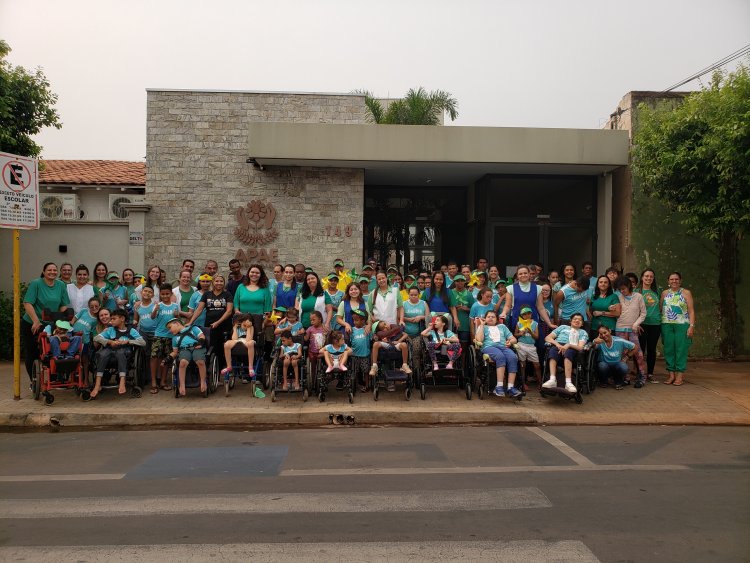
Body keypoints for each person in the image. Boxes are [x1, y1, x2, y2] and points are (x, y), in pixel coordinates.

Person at [22, 262, 70, 380]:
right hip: (32, 322)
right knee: (32, 352)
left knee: (51, 350)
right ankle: (33, 380)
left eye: (55, 270)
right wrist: (35, 321)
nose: (52, 272)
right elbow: (27, 303)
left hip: (51, 324)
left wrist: (61, 322)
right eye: (49, 270)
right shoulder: (36, 283)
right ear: (43, 272)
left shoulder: (61, 285)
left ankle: (53, 377)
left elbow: (63, 305)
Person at [90, 309, 145, 398]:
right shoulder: (110, 330)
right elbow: (96, 338)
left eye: (113, 319)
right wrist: (109, 341)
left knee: (120, 352)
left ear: (122, 319)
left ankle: (122, 380)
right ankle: (97, 384)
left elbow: (142, 342)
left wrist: (128, 342)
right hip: (110, 351)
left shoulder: (131, 331)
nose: (111, 321)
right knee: (102, 354)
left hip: (124, 353)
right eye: (111, 319)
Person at [474, 310, 522, 398]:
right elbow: (479, 340)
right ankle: (499, 386)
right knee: (500, 356)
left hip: (504, 347)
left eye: (493, 317)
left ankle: (510, 387)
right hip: (489, 347)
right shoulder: (482, 327)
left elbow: (514, 339)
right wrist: (481, 325)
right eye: (488, 317)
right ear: (485, 318)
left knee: (513, 357)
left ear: (497, 320)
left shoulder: (502, 327)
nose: (491, 318)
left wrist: (510, 342)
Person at [661, 272, 695, 387]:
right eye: (671, 279)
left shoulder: (686, 293)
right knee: (669, 349)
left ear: (680, 281)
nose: (674, 281)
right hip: (666, 324)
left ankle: (679, 376)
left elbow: (691, 311)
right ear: (668, 281)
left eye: (676, 279)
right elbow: (661, 309)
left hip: (682, 325)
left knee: (681, 350)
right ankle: (671, 375)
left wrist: (691, 326)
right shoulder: (664, 293)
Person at [543, 312, 589, 393]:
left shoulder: (582, 332)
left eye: (580, 320)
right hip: (558, 345)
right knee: (553, 350)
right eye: (575, 319)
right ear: (570, 321)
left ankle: (568, 383)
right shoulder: (562, 327)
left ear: (582, 324)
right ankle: (552, 379)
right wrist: (557, 344)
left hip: (572, 349)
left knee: (569, 352)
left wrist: (569, 345)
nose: (577, 320)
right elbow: (547, 338)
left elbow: (580, 347)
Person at [501, 264, 555, 332]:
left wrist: (549, 323)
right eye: (520, 274)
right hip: (517, 322)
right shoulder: (511, 288)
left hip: (533, 322)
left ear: (529, 274)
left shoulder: (538, 288)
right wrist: (504, 313)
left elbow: (541, 308)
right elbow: (507, 306)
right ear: (517, 276)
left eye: (525, 273)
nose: (523, 275)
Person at [615, 277, 647, 387]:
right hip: (619, 329)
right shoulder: (618, 297)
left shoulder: (638, 297)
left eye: (623, 288)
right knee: (622, 354)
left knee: (638, 354)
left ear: (629, 286)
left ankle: (642, 377)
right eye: (620, 289)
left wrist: (636, 324)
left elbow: (643, 313)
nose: (622, 291)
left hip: (633, 330)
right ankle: (625, 377)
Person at [165, 318, 207, 396]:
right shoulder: (175, 338)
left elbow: (202, 336)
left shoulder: (193, 328)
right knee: (182, 363)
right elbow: (175, 352)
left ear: (177, 323)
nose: (169, 330)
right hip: (184, 350)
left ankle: (203, 381)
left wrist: (200, 342)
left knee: (200, 361)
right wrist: (168, 358)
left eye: (170, 327)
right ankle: (182, 385)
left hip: (197, 347)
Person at [150, 283, 180, 391]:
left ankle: (163, 381)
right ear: (160, 295)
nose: (165, 296)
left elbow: (177, 320)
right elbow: (152, 317)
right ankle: (154, 382)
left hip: (170, 336)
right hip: (158, 335)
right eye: (163, 294)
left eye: (167, 294)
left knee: (166, 359)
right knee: (154, 358)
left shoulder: (175, 306)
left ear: (171, 293)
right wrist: (155, 310)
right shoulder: (158, 305)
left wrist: (177, 315)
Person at [635, 268, 661, 382]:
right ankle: (639, 373)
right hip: (642, 324)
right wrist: (636, 323)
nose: (648, 278)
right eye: (646, 276)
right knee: (640, 350)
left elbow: (660, 307)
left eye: (651, 276)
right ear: (642, 277)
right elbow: (633, 309)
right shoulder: (636, 291)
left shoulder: (657, 291)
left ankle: (650, 373)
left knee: (652, 349)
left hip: (655, 324)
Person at [234, 264, 273, 338]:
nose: (254, 274)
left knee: (255, 345)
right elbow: (236, 303)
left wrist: (263, 324)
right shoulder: (241, 287)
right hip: (242, 322)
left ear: (261, 275)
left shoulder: (265, 289)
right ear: (248, 273)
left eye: (257, 273)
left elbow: (267, 309)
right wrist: (237, 311)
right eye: (252, 272)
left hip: (258, 322)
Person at [369, 320, 412, 387]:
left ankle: (405, 365)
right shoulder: (381, 334)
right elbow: (376, 338)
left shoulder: (395, 329)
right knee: (375, 344)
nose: (386, 327)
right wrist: (379, 339)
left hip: (395, 344)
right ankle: (374, 366)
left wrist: (398, 341)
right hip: (386, 346)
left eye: (385, 324)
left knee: (404, 344)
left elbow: (406, 335)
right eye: (383, 328)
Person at [592, 325, 634, 390]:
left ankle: (618, 382)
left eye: (605, 332)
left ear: (610, 331)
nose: (603, 335)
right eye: (601, 334)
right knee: (602, 366)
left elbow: (635, 347)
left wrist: (626, 357)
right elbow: (592, 347)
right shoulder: (599, 342)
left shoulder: (619, 340)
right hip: (605, 365)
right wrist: (594, 342)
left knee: (624, 367)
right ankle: (604, 381)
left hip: (617, 365)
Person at [133, 286, 158, 393]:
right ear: (141, 292)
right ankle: (145, 378)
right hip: (143, 332)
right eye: (145, 291)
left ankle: (154, 379)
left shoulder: (156, 305)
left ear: (152, 294)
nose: (147, 293)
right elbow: (135, 319)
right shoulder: (137, 306)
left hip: (155, 332)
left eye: (150, 292)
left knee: (154, 355)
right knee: (144, 354)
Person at [220, 314, 256, 379]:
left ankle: (250, 367)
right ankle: (229, 366)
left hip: (247, 341)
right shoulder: (237, 328)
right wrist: (235, 328)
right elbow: (234, 338)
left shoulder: (251, 327)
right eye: (243, 324)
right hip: (238, 340)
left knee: (251, 343)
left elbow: (248, 339)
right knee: (226, 344)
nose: (244, 326)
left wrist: (248, 328)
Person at [514, 306, 541, 384]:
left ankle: (540, 382)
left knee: (537, 365)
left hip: (531, 346)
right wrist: (520, 333)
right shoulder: (519, 323)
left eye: (529, 313)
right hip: (521, 345)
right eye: (524, 314)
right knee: (522, 365)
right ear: (522, 315)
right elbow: (515, 335)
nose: (527, 315)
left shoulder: (535, 323)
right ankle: (523, 384)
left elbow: (537, 337)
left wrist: (530, 332)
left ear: (531, 314)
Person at [349, 309, 372, 392]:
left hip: (365, 355)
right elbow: (350, 342)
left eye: (356, 320)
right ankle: (355, 385)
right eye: (353, 320)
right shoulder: (352, 330)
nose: (354, 322)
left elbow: (372, 339)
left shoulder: (367, 330)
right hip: (354, 355)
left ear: (363, 320)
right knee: (355, 371)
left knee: (366, 371)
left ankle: (367, 385)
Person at [450, 274, 475, 347]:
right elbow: (447, 306)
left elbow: (474, 310)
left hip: (465, 325)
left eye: (462, 280)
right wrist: (453, 308)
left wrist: (466, 309)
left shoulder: (469, 294)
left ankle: (463, 359)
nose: (460, 282)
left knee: (463, 346)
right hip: (452, 324)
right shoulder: (450, 292)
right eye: (457, 281)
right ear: (454, 282)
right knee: (452, 346)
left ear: (465, 282)